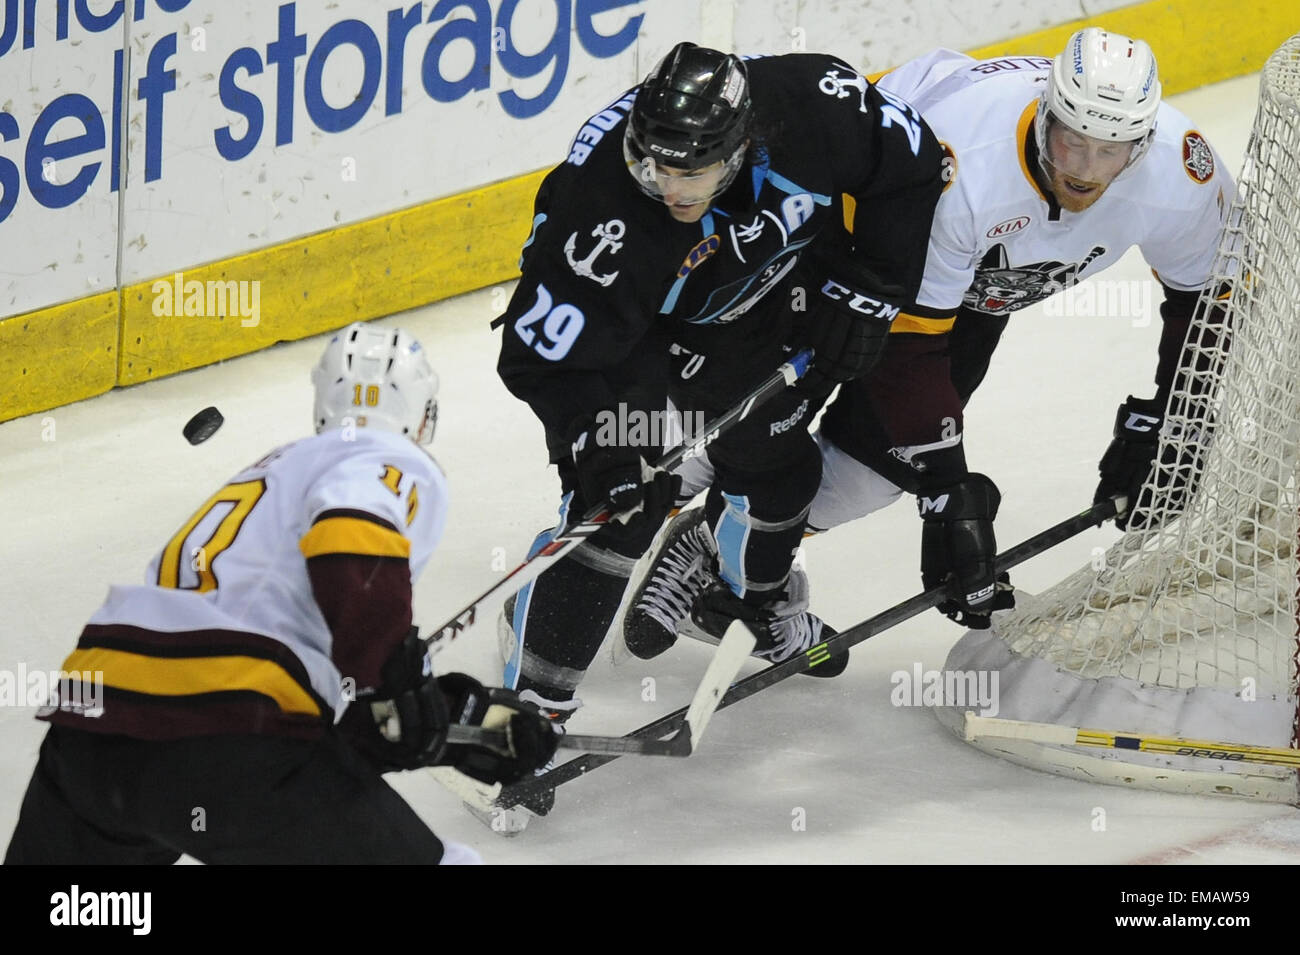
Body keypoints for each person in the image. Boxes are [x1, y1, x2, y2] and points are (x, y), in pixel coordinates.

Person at [627, 27, 1233, 649]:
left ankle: (716, 549)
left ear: (1143, 142)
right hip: (851, 230)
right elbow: (909, 343)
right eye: (1070, 140)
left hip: (969, 292)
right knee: (758, 414)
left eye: (1109, 152)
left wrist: (1174, 415)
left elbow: (1208, 301)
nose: (1082, 169)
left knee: (875, 473)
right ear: (1046, 113)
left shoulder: (1180, 179)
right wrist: (950, 491)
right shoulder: (967, 166)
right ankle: (600, 547)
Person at [493, 41, 946, 814]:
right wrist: (600, 454)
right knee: (621, 517)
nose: (666, 185)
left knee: (781, 475)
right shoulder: (599, 214)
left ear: (741, 146)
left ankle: (742, 599)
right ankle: (530, 709)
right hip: (639, 341)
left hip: (773, 301)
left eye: (688, 172)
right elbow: (540, 360)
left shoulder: (813, 102)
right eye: (652, 166)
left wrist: (870, 288)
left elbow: (913, 167)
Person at [4, 322, 558, 865]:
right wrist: (399, 685)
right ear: (424, 415)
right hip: (226, 734)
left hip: (94, 733)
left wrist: (456, 725)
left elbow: (331, 727)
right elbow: (350, 534)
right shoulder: (386, 459)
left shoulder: (272, 472)